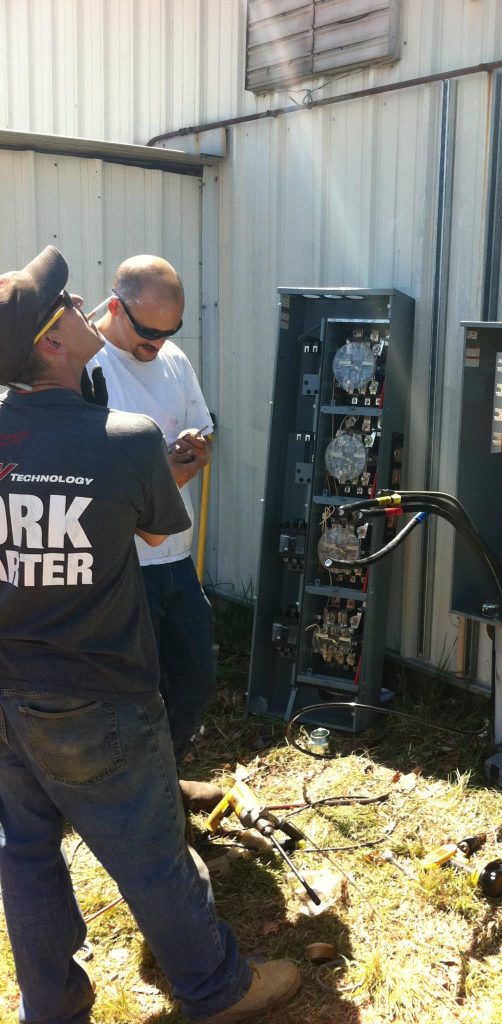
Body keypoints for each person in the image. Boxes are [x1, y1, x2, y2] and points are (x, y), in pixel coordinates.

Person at [0, 247, 300, 1023]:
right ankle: (218, 988)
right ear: (51, 342)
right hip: (99, 691)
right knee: (155, 854)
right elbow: (158, 518)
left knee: (27, 852)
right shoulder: (125, 438)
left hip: (9, 691)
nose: (76, 306)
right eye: (62, 304)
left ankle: (51, 1008)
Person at [89, 256, 219, 809]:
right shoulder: (85, 365)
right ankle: (133, 800)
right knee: (134, 694)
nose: (159, 345)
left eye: (171, 332)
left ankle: (164, 781)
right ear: (115, 306)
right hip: (119, 567)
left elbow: (204, 427)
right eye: (149, 333)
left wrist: (195, 450)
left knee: (193, 678)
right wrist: (162, 476)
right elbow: (88, 475)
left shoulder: (171, 359)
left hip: (174, 556)